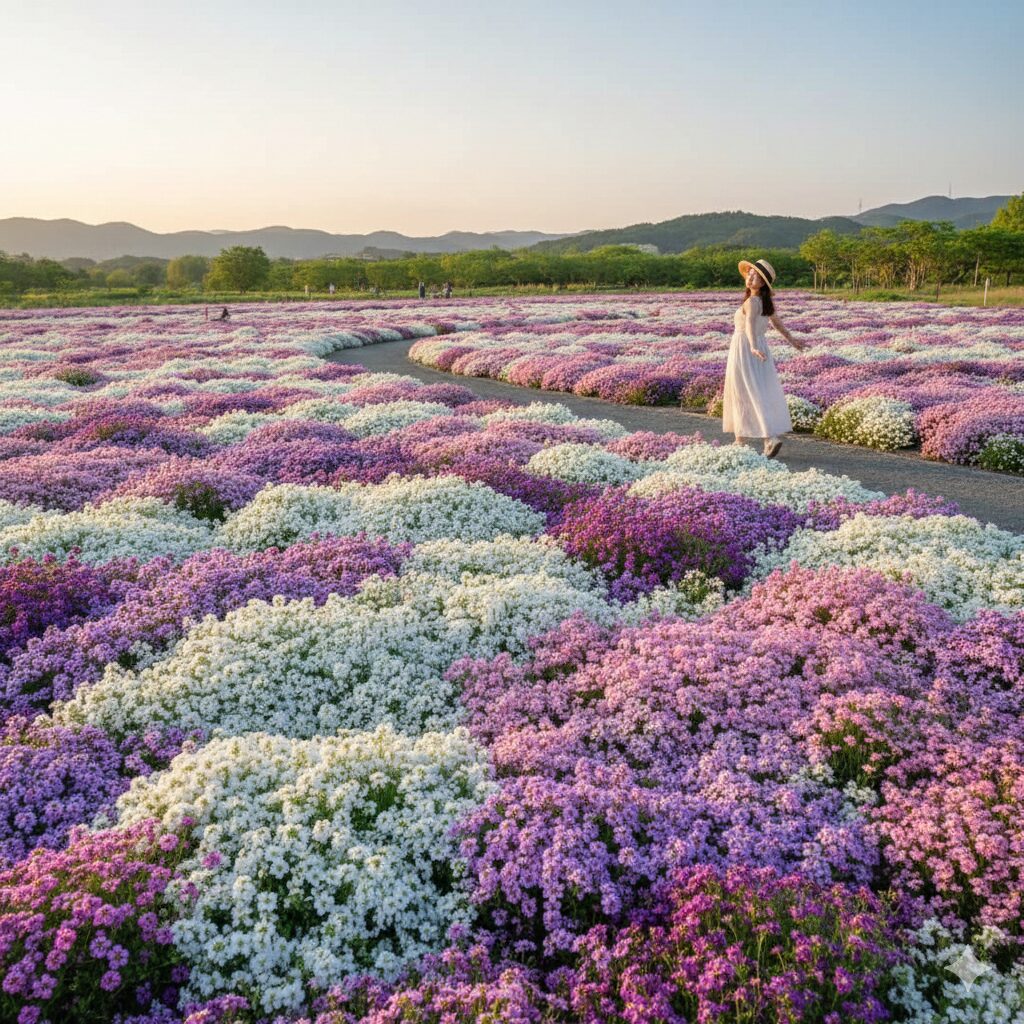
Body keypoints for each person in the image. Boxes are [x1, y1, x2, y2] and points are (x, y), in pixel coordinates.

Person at [722, 258, 806, 459]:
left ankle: (761, 439)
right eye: (750, 273)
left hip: (745, 348)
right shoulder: (765, 302)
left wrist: (751, 345)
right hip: (761, 348)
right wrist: (792, 340)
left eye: (756, 276)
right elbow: (778, 324)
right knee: (758, 391)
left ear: (763, 284)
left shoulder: (751, 302)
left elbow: (750, 324)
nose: (751, 277)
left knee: (742, 391)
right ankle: (753, 439)